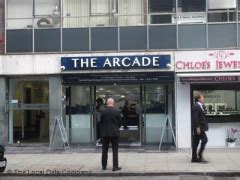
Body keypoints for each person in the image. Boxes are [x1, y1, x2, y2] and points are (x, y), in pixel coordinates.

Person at [100, 98, 122, 171]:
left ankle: (104, 166)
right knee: (115, 150)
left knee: (104, 150)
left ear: (107, 103)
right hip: (115, 133)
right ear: (113, 103)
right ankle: (115, 167)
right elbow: (120, 123)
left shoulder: (103, 111)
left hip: (105, 133)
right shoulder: (117, 111)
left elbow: (101, 122)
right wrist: (116, 127)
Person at [191, 94, 209, 163]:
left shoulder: (199, 106)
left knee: (195, 142)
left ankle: (194, 158)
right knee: (205, 140)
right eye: (202, 97)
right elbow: (195, 118)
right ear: (199, 99)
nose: (203, 99)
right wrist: (198, 128)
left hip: (199, 127)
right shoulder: (196, 106)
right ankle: (200, 154)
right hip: (199, 128)